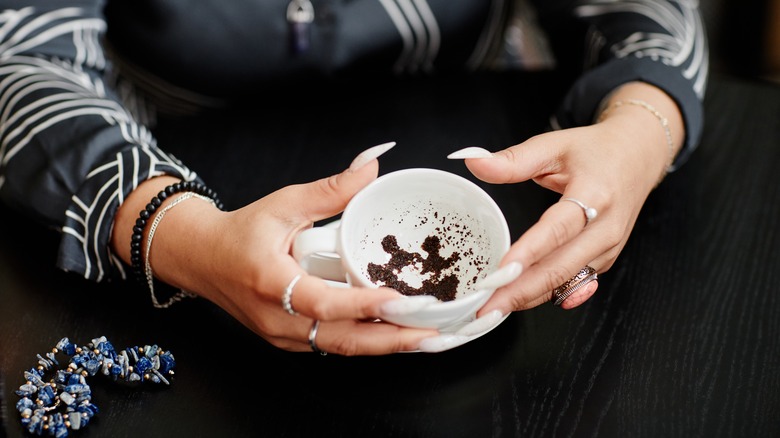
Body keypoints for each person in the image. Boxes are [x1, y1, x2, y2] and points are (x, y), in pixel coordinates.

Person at [0, 0, 707, 354]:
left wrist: (642, 125)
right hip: (166, 145)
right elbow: (23, 56)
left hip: (479, 118)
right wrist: (170, 229)